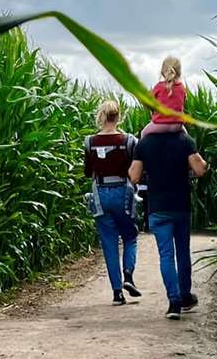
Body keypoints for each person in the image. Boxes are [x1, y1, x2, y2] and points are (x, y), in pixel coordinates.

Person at [129, 123, 209, 320]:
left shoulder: (145, 143)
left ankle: (174, 303)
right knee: (182, 253)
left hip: (157, 207)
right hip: (180, 206)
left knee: (166, 255)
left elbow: (134, 175)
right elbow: (200, 169)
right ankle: (185, 296)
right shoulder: (185, 140)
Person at [83, 100, 143, 305]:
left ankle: (117, 293)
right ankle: (128, 274)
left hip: (100, 193)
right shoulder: (128, 141)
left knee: (109, 243)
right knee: (130, 236)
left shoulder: (89, 142)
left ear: (101, 116)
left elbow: (87, 172)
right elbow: (135, 171)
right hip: (122, 192)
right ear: (118, 117)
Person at [140, 56, 187, 137]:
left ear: (162, 72)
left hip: (160, 125)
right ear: (179, 72)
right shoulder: (182, 87)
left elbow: (148, 102)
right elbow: (184, 102)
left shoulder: (159, 86)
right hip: (177, 125)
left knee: (143, 133)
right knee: (187, 137)